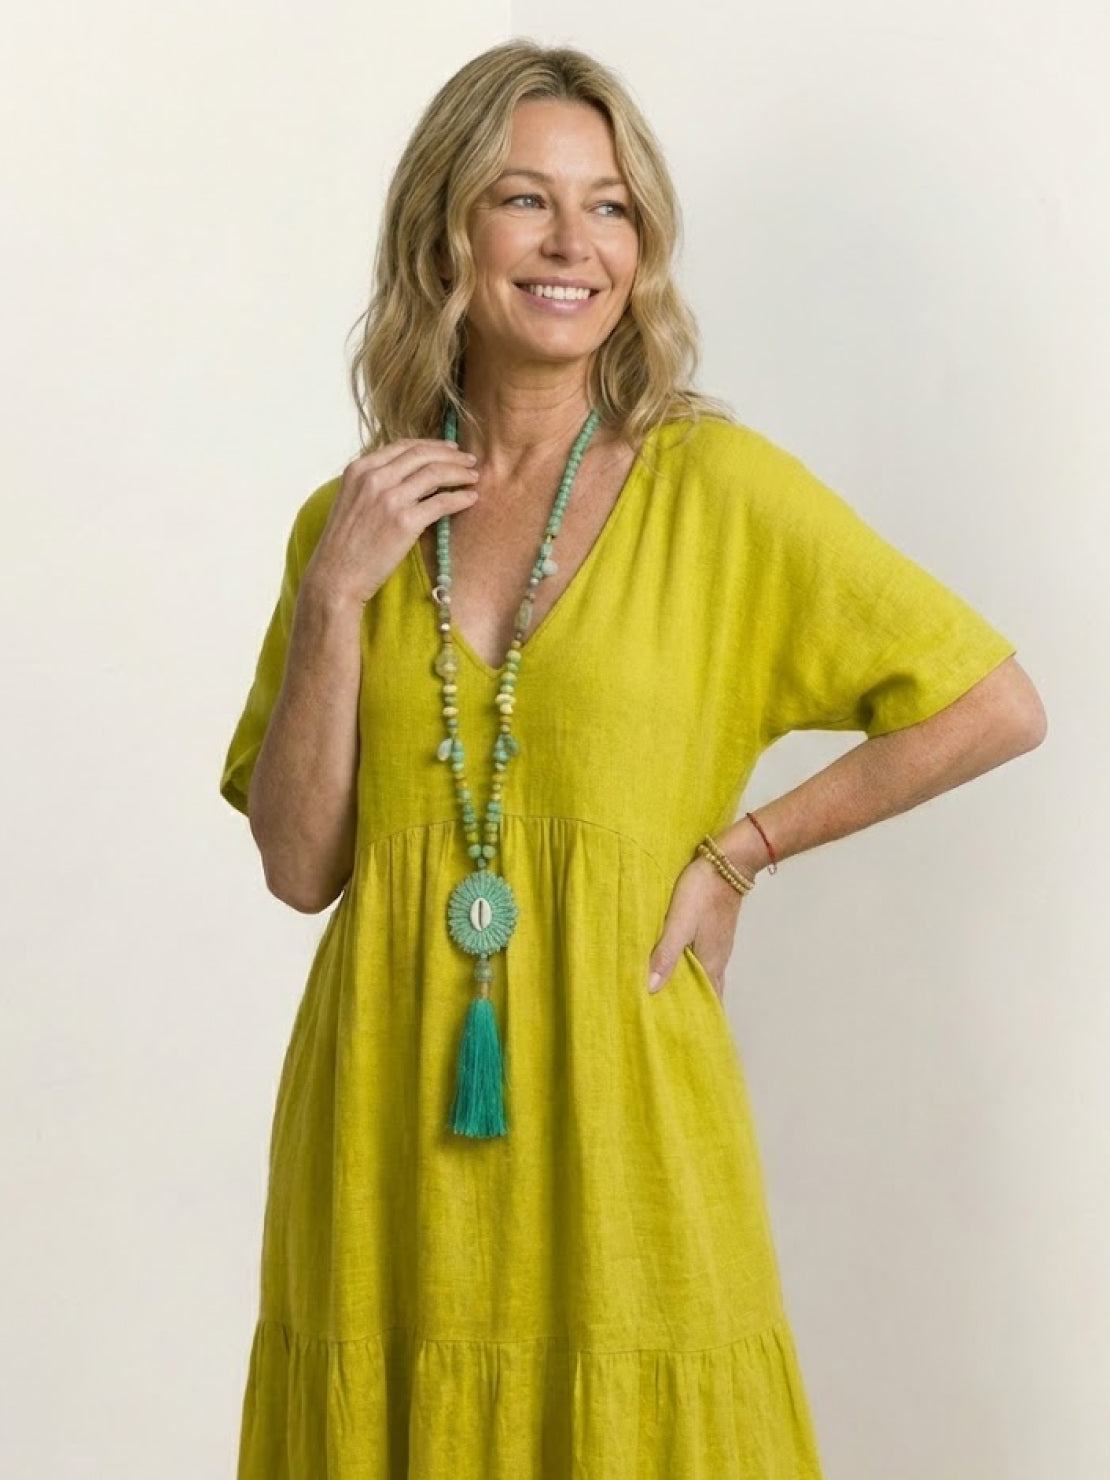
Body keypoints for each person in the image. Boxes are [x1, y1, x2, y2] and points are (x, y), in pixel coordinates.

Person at [218, 39, 1047, 1479]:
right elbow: (301, 867)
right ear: (444, 233)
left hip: (623, 1107)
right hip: (383, 1119)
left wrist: (745, 850)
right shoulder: (350, 522)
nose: (572, 245)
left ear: (644, 246)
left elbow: (992, 702)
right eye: (523, 200)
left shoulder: (715, 491)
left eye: (609, 207)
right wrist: (335, 597)